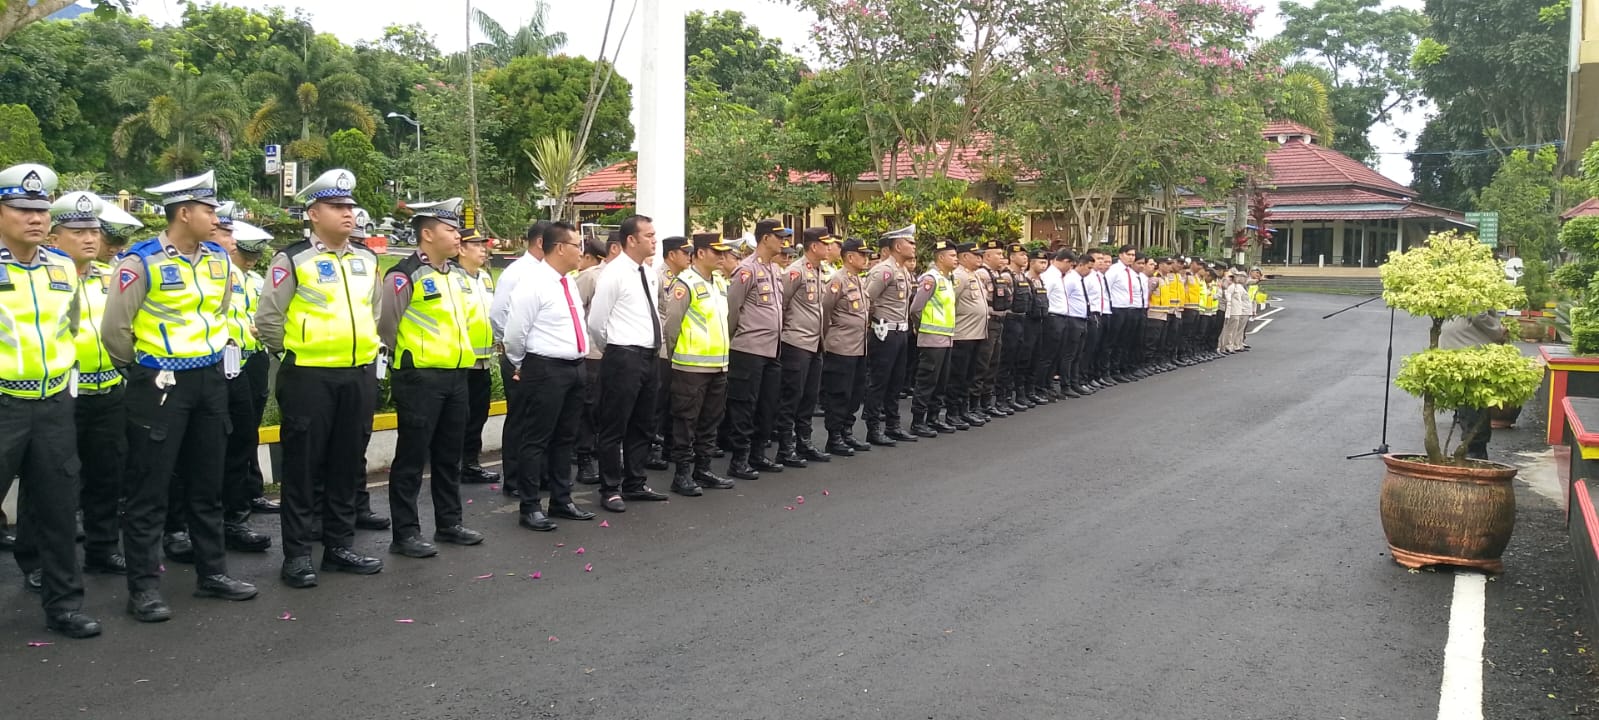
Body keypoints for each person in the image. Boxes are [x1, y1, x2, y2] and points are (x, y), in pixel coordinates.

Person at [104, 170, 258, 621]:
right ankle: (144, 589)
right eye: (209, 211)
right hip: (160, 383)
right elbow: (115, 330)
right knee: (149, 489)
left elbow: (220, 311)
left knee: (207, 484)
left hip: (209, 379)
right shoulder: (141, 262)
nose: (217, 219)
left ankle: (213, 573)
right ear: (184, 213)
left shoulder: (219, 260)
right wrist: (145, 367)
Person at [256, 168, 386, 588]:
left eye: (350, 206)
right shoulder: (292, 259)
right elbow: (269, 318)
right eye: (336, 206)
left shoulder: (367, 259)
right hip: (309, 377)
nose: (348, 213)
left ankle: (339, 546)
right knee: (303, 468)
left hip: (357, 374)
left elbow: (374, 312)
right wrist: (296, 352)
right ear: (313, 214)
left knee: (347, 465)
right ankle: (296, 556)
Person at [0, 165, 102, 638]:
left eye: (41, 210)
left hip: (54, 403)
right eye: (22, 209)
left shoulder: (61, 267)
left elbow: (72, 325)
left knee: (59, 509)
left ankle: (64, 605)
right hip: (4, 403)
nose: (35, 218)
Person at [377, 197, 486, 558]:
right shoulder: (404, 274)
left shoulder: (455, 274)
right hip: (420, 377)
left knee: (449, 455)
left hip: (455, 375)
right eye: (450, 230)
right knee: (411, 458)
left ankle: (449, 523)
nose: (457, 236)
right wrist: (413, 360)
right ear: (427, 234)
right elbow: (387, 326)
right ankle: (405, 533)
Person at [48, 192, 139, 581]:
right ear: (54, 237)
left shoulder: (109, 276)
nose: (90, 239)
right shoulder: (44, 277)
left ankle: (102, 549)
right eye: (78, 232)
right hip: (62, 394)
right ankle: (39, 560)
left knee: (107, 475)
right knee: (53, 481)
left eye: (94, 231)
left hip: (109, 389)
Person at [502, 221, 597, 530]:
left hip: (574, 368)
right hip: (545, 368)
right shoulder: (533, 283)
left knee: (565, 438)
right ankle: (530, 506)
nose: (581, 251)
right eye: (576, 245)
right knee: (536, 439)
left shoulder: (568, 282)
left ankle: (561, 499)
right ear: (559, 248)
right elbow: (514, 334)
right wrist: (522, 364)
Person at [586, 215, 671, 512]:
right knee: (614, 424)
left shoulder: (647, 272)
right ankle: (610, 488)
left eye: (654, 234)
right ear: (631, 240)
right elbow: (596, 321)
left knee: (644, 423)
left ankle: (635, 481)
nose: (654, 240)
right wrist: (613, 348)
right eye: (648, 235)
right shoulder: (614, 273)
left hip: (648, 355)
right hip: (623, 355)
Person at [209, 201, 273, 553]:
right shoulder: (211, 273)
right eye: (225, 232)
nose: (231, 240)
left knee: (244, 436)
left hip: (247, 360)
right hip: (214, 364)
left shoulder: (251, 279)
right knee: (215, 443)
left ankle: (239, 508)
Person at [660, 233, 738, 495]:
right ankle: (682, 474)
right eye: (717, 252)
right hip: (690, 366)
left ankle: (703, 469)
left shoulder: (719, 282)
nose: (722, 257)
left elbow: (727, 320)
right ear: (701, 253)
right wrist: (676, 356)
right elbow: (672, 325)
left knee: (710, 420)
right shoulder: (685, 283)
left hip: (719, 365)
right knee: (685, 421)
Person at [724, 219, 790, 480]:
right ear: (765, 238)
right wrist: (735, 338)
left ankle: (758, 454)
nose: (783, 242)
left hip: (772, 349)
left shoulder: (774, 269)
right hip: (749, 348)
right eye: (779, 237)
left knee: (767, 404)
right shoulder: (746, 270)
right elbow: (732, 308)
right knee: (744, 406)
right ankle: (739, 459)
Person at [489, 221, 550, 499]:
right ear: (541, 242)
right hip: (520, 357)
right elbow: (499, 314)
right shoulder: (518, 273)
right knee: (520, 419)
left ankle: (538, 475)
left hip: (543, 359)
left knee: (541, 419)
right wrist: (515, 354)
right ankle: (513, 479)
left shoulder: (548, 274)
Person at [775, 227, 838, 468]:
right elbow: (781, 304)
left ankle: (804, 441)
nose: (829, 248)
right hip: (796, 342)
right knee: (792, 396)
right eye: (825, 244)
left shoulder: (820, 270)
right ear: (814, 246)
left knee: (809, 396)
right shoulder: (795, 271)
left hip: (815, 343)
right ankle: (785, 447)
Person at [862, 225, 918, 447]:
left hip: (901, 331)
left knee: (896, 381)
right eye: (910, 243)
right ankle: (873, 427)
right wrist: (874, 324)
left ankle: (893, 425)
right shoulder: (884, 270)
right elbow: (866, 299)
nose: (914, 246)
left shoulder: (903, 270)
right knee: (879, 381)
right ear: (898, 246)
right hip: (885, 332)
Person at [455, 226, 501, 485]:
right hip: (460, 360)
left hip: (482, 361)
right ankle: (455, 464)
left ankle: (471, 463)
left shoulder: (484, 277)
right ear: (461, 249)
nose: (483, 250)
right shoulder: (452, 277)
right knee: (459, 417)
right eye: (476, 245)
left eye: (484, 245)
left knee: (478, 415)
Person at [819, 237, 872, 454]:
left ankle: (847, 431)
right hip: (841, 347)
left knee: (855, 392)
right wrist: (827, 337)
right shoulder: (837, 280)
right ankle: (834, 437)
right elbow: (825, 310)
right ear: (850, 257)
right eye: (863, 255)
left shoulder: (859, 280)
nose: (866, 259)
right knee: (839, 394)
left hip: (859, 347)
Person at [648, 235, 692, 471]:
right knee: (659, 402)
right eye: (685, 252)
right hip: (663, 346)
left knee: (673, 401)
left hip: (679, 347)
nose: (689, 257)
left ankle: (669, 445)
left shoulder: (685, 278)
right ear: (672, 254)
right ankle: (651, 448)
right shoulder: (657, 277)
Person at [909, 240, 959, 436]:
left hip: (946, 337)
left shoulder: (947, 279)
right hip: (932, 338)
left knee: (941, 382)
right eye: (952, 256)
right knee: (927, 381)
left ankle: (933, 418)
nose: (956, 259)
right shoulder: (931, 279)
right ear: (941, 257)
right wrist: (921, 328)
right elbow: (915, 308)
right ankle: (918, 421)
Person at [572, 233, 611, 484]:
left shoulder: (620, 275)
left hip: (611, 351)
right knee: (589, 407)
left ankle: (597, 452)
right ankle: (584, 457)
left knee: (603, 407)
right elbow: (576, 313)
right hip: (593, 351)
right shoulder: (590, 276)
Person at [947, 242, 990, 427]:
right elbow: (950, 302)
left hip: (976, 333)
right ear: (964, 256)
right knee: (958, 376)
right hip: (963, 334)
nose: (980, 258)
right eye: (976, 255)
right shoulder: (958, 276)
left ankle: (964, 410)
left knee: (969, 376)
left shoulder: (974, 275)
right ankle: (952, 412)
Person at [972, 239, 1012, 418]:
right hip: (988, 323)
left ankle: (986, 402)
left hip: (999, 322)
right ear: (987, 256)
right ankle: (975, 405)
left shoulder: (998, 274)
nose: (1002, 257)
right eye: (998, 254)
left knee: (993, 364)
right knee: (982, 364)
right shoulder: (981, 274)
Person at [999, 243, 1034, 411]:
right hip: (1011, 320)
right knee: (1006, 361)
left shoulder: (1023, 277)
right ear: (1012, 257)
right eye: (1021, 255)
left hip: (1022, 319)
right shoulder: (1006, 277)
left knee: (1017, 360)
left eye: (1026, 255)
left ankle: (1011, 396)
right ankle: (1002, 398)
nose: (1025, 258)